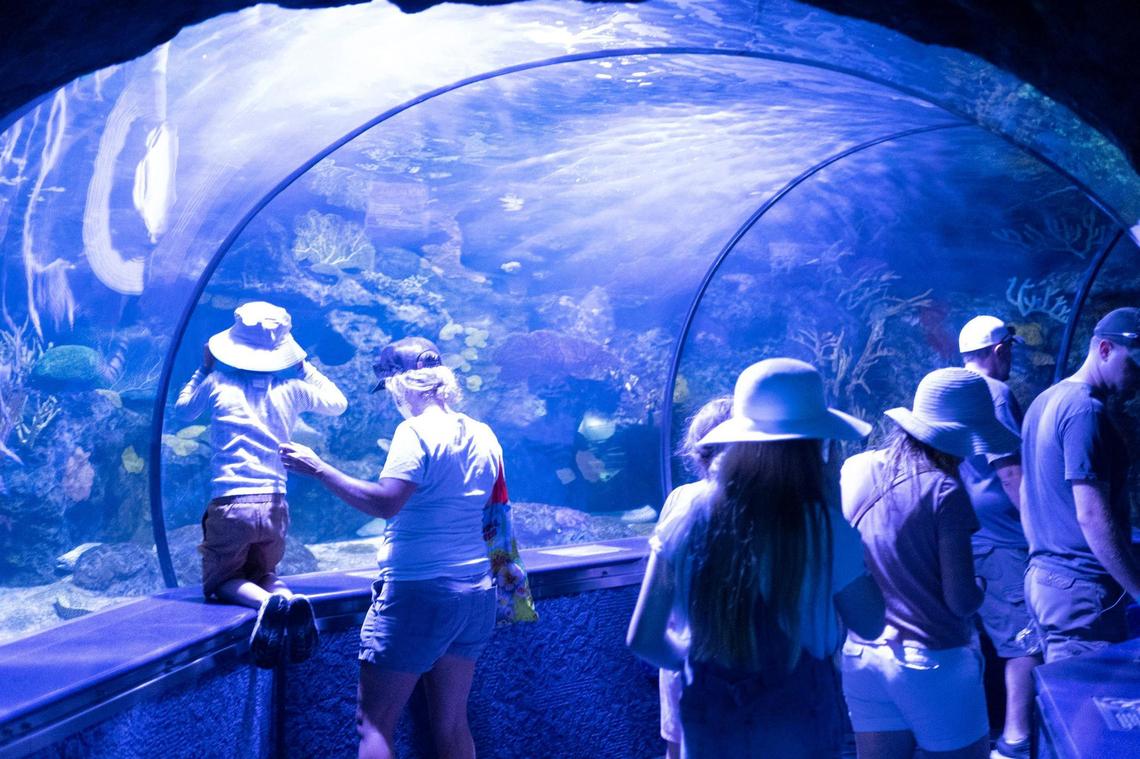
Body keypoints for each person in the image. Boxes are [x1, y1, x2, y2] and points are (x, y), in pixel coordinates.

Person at [627, 358, 885, 758]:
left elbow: (643, 638)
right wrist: (832, 503)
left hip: (710, 731)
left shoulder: (687, 514)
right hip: (799, 729)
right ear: (815, 445)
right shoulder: (824, 528)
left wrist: (705, 665)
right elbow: (870, 624)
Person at [279, 337, 499, 759]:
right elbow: (492, 509)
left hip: (419, 593)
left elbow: (385, 502)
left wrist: (319, 469)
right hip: (476, 592)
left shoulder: (413, 432)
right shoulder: (483, 432)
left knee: (375, 724)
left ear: (400, 385)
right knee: (452, 722)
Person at [840, 367, 1019, 759]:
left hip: (863, 656)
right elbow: (959, 600)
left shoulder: (857, 468)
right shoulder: (944, 491)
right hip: (933, 659)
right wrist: (981, 590)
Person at [175, 301, 348, 668]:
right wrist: (304, 367)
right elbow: (338, 403)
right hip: (275, 502)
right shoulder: (291, 390)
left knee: (223, 581)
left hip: (231, 501)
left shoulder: (217, 384)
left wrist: (202, 368)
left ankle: (267, 604)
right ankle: (287, 599)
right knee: (266, 572)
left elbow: (183, 410)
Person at [1020, 307, 1140, 663]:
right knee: (1088, 705)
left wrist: (1043, 559)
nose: (1139, 375)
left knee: (1065, 703)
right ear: (1104, 349)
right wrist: (1137, 590)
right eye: (1135, 362)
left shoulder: (1045, 401)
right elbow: (1090, 514)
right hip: (1080, 590)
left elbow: (1027, 495)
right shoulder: (1086, 412)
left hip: (1046, 579)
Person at [957, 315, 1039, 759]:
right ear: (999, 350)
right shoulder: (995, 393)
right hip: (1004, 536)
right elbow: (1010, 470)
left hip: (965, 532)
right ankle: (1015, 740)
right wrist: (1039, 533)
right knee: (1022, 639)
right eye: (1009, 349)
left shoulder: (950, 388)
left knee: (979, 639)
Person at [655, 395, 732, 759]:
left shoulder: (678, 499)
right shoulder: (752, 508)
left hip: (678, 652)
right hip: (733, 664)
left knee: (677, 747)